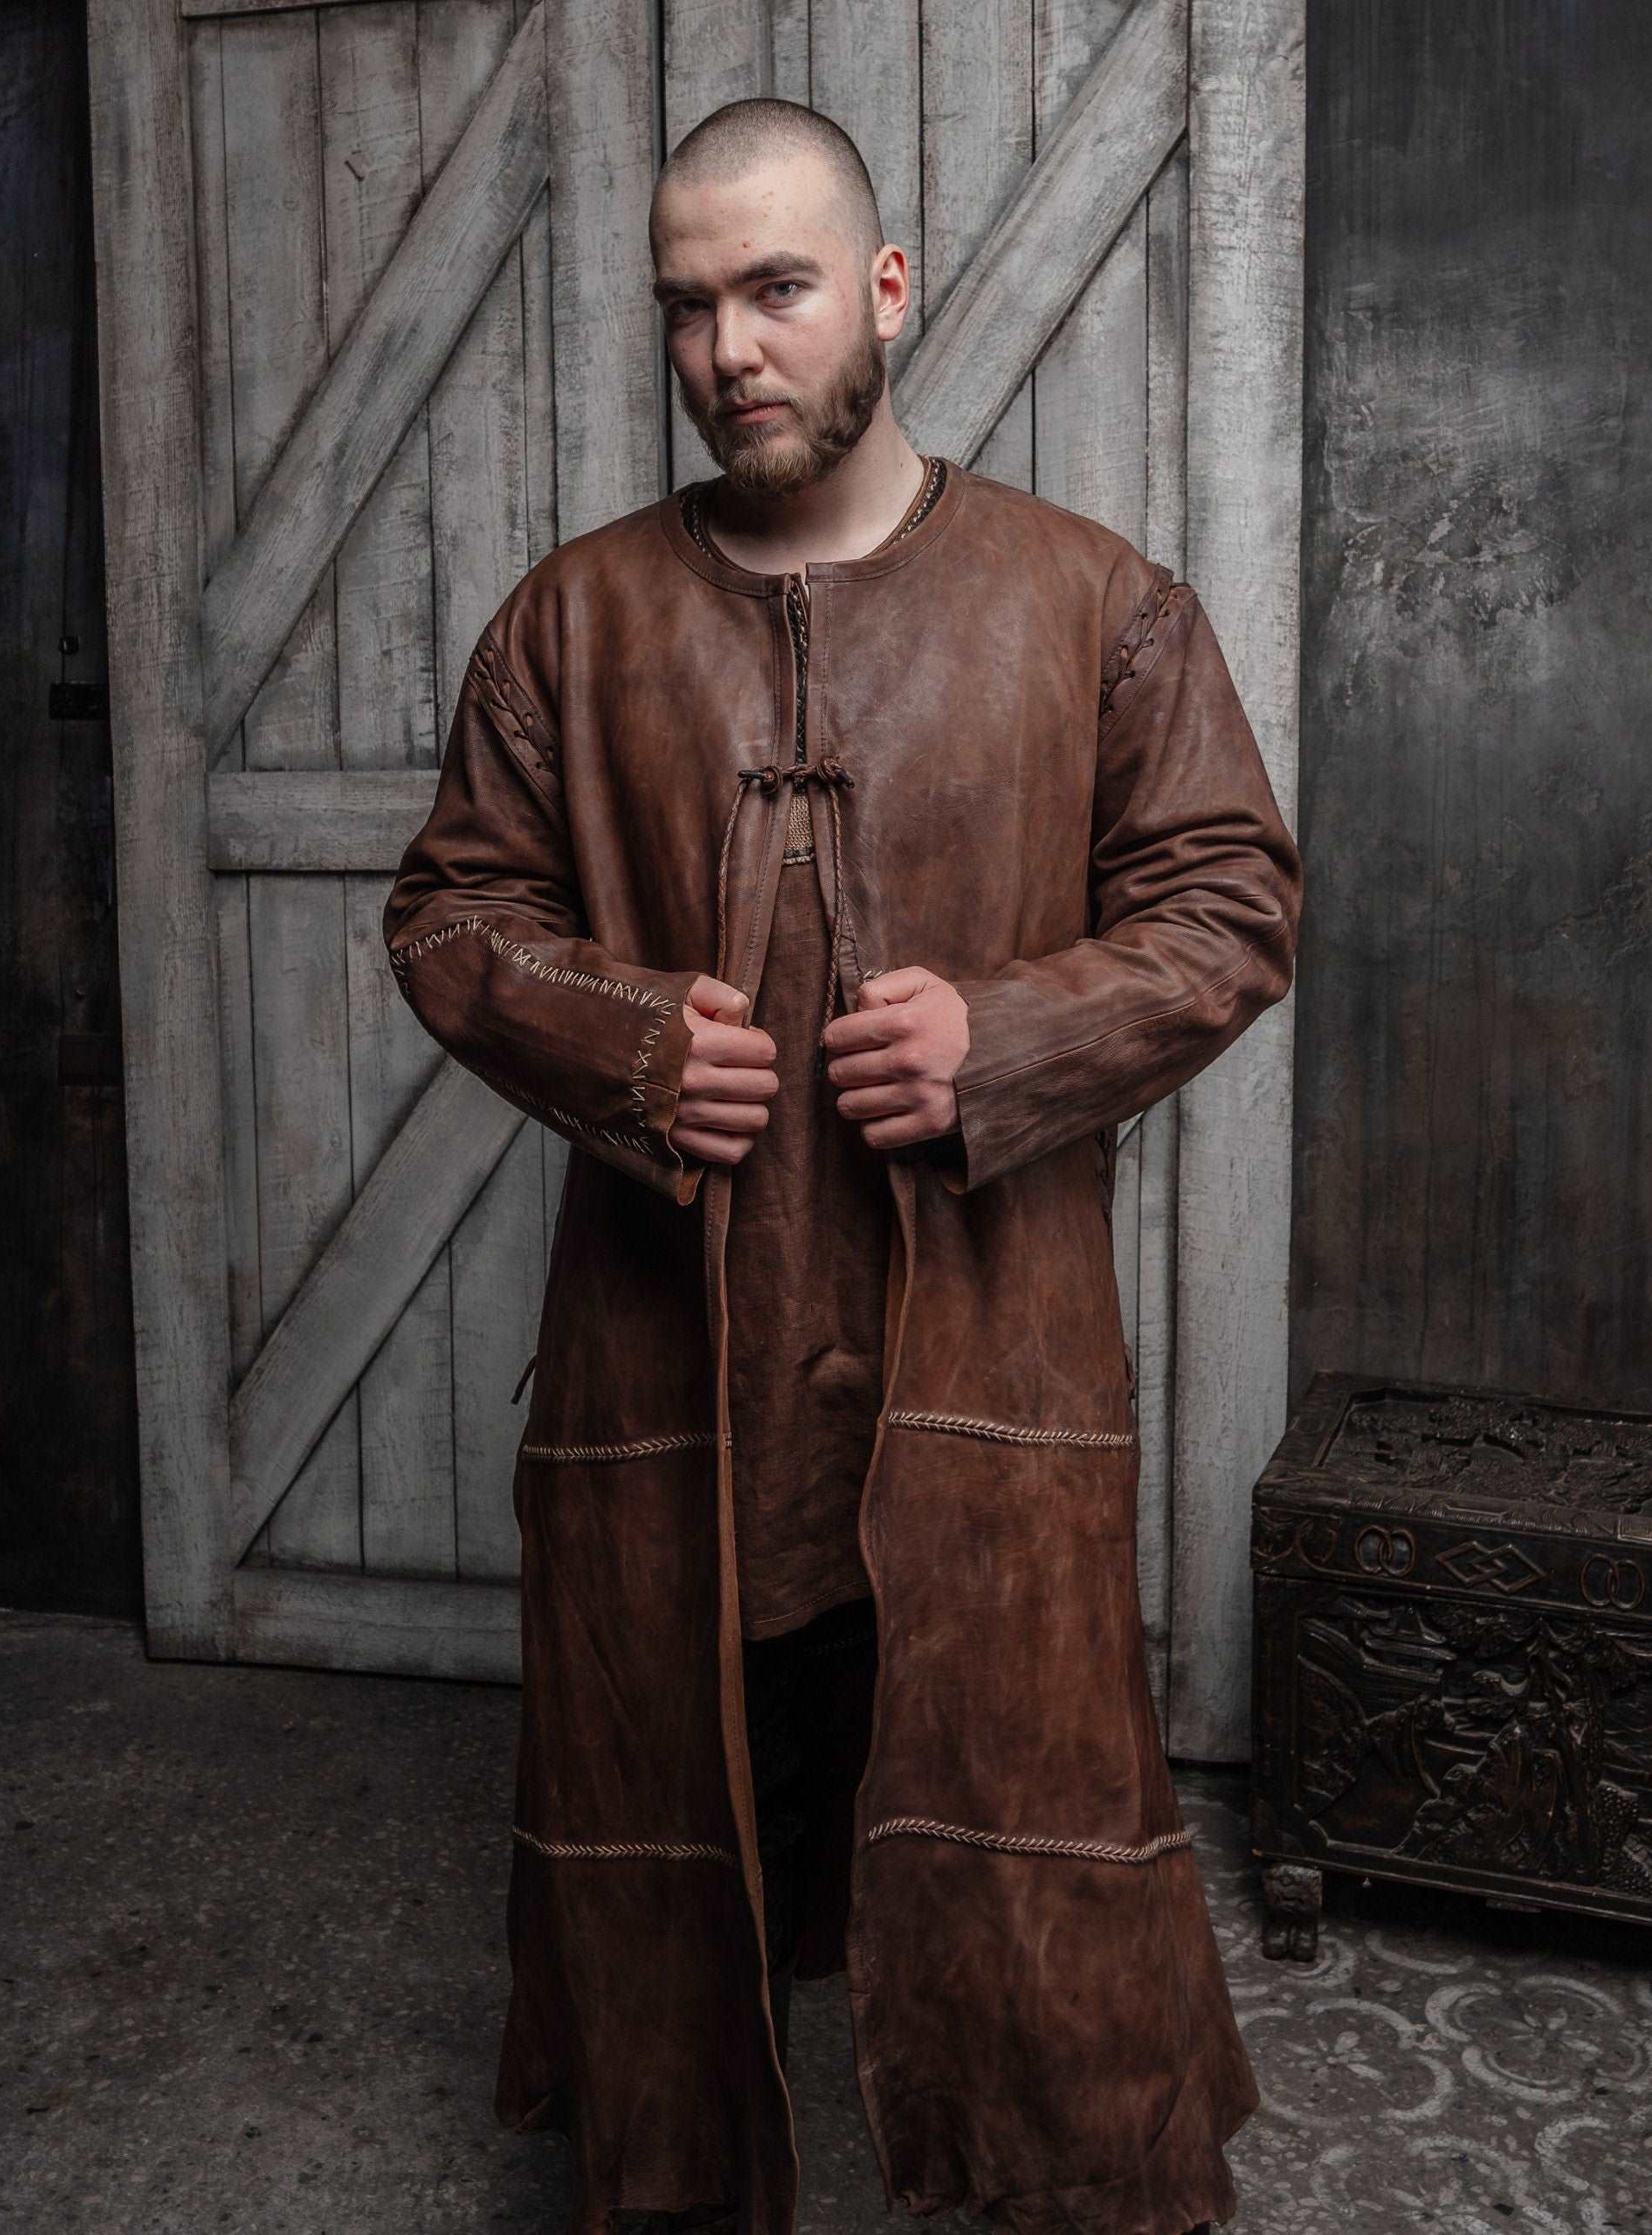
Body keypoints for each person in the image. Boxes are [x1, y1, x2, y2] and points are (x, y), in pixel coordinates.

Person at [383, 95, 1301, 2235]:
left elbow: (1231, 900)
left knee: (1023, 1810)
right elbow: (450, 914)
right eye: (687, 305)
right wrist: (622, 1043)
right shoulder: (570, 624)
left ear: (885, 288)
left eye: (777, 289)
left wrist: (1012, 1036)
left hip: (984, 1367)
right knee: (671, 1823)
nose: (729, 349)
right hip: (672, 1374)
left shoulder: (1095, 605)